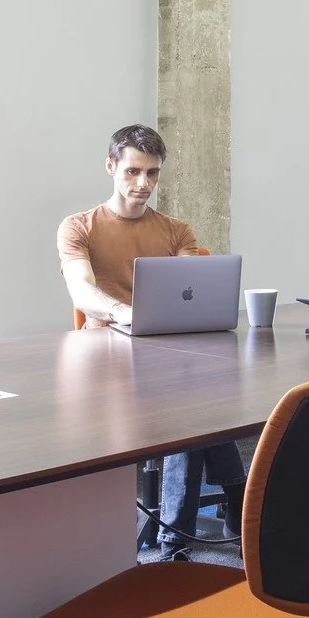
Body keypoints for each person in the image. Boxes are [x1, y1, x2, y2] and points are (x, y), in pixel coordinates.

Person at [58, 124, 245, 560]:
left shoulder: (176, 231)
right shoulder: (78, 227)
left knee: (196, 399)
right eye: (133, 171)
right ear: (111, 167)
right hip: (107, 360)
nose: (143, 183)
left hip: (167, 355)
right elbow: (82, 292)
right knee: (190, 410)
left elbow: (193, 290)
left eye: (153, 173)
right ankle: (227, 506)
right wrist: (126, 312)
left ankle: (180, 538)